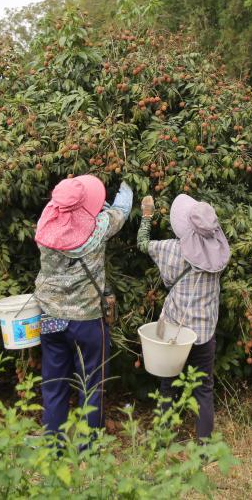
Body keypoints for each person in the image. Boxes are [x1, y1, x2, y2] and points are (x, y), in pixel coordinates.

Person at [34, 174, 132, 435]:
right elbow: (122, 209)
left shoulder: (44, 224)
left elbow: (59, 207)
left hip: (50, 316)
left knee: (54, 383)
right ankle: (88, 445)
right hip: (87, 321)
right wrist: (126, 182)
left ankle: (53, 442)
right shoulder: (99, 228)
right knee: (92, 382)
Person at [137, 193, 229, 440]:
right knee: (204, 389)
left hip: (175, 332)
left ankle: (163, 435)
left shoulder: (171, 249)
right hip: (204, 333)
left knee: (168, 384)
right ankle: (204, 444)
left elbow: (142, 243)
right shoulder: (219, 252)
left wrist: (147, 216)